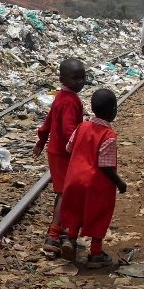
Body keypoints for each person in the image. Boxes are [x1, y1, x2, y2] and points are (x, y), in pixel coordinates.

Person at [59, 88, 127, 268]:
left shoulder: (82, 127)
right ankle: (96, 253)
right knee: (99, 214)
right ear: (113, 110)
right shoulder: (109, 136)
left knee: (74, 209)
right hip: (96, 184)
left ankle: (70, 240)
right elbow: (105, 165)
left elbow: (68, 148)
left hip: (74, 179)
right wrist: (119, 182)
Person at [32, 58, 86, 260]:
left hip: (55, 150)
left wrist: (41, 141)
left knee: (62, 191)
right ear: (63, 78)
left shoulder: (61, 97)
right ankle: (54, 234)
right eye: (75, 78)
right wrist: (82, 148)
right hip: (64, 153)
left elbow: (48, 121)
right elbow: (68, 130)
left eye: (83, 77)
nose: (80, 81)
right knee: (65, 192)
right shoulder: (71, 101)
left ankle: (63, 230)